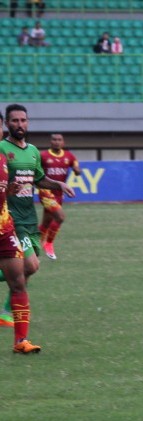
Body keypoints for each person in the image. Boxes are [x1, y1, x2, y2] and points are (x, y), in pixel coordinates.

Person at [0, 105, 75, 344]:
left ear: (28, 123)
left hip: (29, 219)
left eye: (23, 120)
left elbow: (39, 179)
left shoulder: (32, 151)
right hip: (11, 219)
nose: (19, 124)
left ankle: (5, 312)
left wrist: (59, 185)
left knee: (27, 270)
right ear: (7, 124)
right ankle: (7, 314)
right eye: (14, 120)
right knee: (31, 265)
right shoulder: (2, 149)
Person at [0, 148, 41, 352]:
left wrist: (8, 192)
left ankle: (21, 342)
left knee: (18, 282)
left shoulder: (2, 159)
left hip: (5, 229)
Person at [38, 133, 80, 261]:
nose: (56, 142)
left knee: (46, 223)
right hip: (45, 192)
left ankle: (34, 247)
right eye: (54, 140)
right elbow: (36, 171)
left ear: (63, 142)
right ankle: (49, 244)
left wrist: (77, 170)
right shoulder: (43, 156)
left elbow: (77, 168)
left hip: (58, 194)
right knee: (60, 217)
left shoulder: (69, 156)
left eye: (59, 140)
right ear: (50, 142)